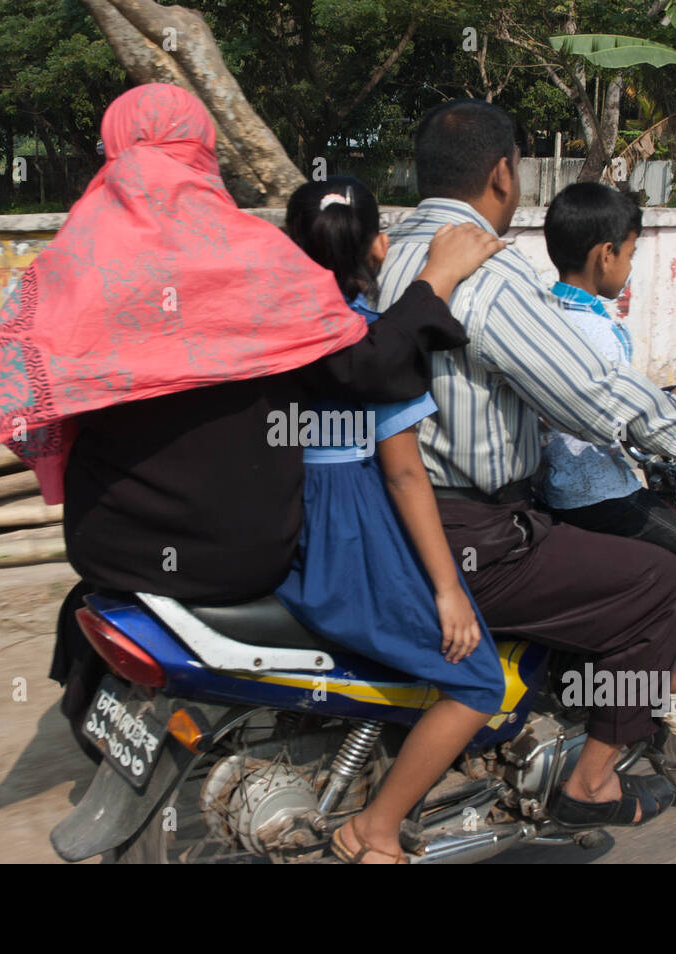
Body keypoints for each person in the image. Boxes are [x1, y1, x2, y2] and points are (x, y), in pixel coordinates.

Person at [0, 84, 502, 742]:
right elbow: (370, 368)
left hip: (101, 550)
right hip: (237, 557)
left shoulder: (69, 265)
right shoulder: (260, 261)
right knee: (469, 672)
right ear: (203, 151)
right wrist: (435, 280)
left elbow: (22, 398)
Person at [376, 99, 676, 830]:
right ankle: (592, 781)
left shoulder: (386, 256)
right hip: (476, 531)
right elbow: (592, 394)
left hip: (393, 513)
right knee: (662, 583)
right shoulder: (485, 269)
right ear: (501, 175)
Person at [272, 177, 507, 864]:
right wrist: (447, 589)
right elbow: (405, 474)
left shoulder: (272, 327)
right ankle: (374, 830)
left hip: (284, 523)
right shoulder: (369, 343)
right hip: (349, 528)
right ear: (377, 245)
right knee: (478, 681)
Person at [537, 182, 676, 739]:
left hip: (546, 485)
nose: (631, 267)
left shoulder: (547, 311)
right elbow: (630, 418)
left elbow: (625, 400)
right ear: (606, 255)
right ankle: (674, 687)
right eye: (632, 253)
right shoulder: (599, 331)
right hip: (594, 491)